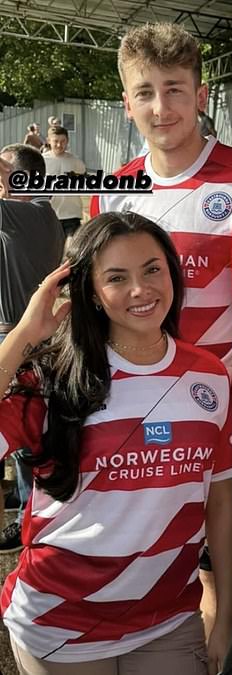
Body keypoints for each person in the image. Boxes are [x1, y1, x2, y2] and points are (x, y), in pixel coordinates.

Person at [90, 20, 232, 639]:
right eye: (145, 92)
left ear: (201, 96)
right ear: (127, 103)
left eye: (174, 89)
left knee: (231, 550)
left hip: (226, 404)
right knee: (166, 551)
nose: (160, 107)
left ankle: (226, 638)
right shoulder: (113, 192)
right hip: (139, 411)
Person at [0, 211, 232, 675]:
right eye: (116, 277)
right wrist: (25, 335)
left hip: (169, 622)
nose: (141, 289)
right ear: (89, 292)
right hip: (60, 624)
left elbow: (222, 500)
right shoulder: (50, 377)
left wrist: (226, 613)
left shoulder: (210, 374)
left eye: (152, 269)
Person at [0, 144, 65, 555]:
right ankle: (27, 509)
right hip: (36, 339)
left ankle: (28, 520)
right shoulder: (47, 216)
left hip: (17, 340)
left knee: (25, 440)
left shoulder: (26, 214)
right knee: (30, 436)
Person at [42, 126, 87, 238]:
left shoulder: (76, 162)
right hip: (49, 215)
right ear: (48, 141)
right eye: (55, 141)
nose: (59, 145)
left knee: (70, 250)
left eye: (63, 141)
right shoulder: (41, 161)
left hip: (72, 215)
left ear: (67, 141)